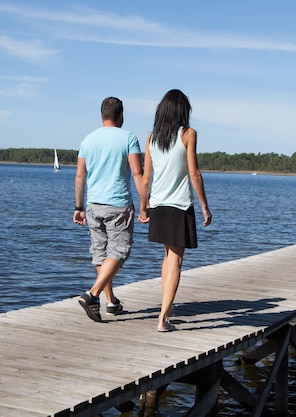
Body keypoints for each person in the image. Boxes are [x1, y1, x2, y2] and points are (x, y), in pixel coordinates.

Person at [138, 89, 212, 332]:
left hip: (158, 205)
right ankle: (162, 319)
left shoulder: (151, 139)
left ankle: (166, 311)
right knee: (176, 261)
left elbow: (146, 178)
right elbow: (194, 174)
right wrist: (204, 206)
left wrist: (143, 206)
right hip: (179, 206)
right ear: (183, 111)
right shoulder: (188, 134)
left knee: (168, 257)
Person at [73, 97, 144, 322]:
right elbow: (137, 173)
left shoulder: (88, 140)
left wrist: (78, 207)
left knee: (101, 254)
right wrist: (145, 204)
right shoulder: (129, 138)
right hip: (118, 204)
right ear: (121, 115)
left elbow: (79, 176)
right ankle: (93, 294)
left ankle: (111, 302)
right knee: (120, 252)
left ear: (102, 114)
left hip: (93, 205)